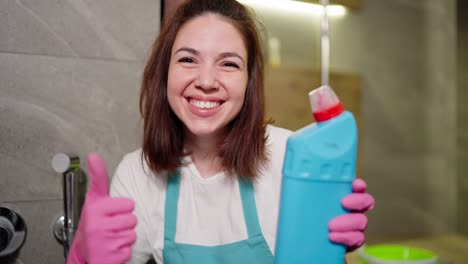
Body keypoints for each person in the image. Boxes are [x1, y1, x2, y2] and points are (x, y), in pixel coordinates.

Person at [67, 0, 375, 263]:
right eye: (188, 59)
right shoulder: (137, 174)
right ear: (165, 74)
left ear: (249, 81)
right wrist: (82, 255)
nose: (206, 80)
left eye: (228, 64)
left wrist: (329, 252)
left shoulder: (289, 157)